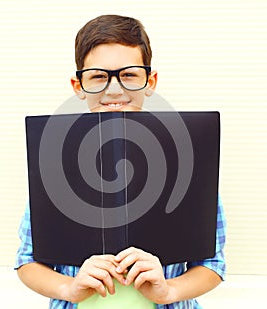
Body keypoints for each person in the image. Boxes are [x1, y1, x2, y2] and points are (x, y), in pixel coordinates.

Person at [15, 14, 226, 308]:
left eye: (128, 74)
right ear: (79, 85)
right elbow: (27, 263)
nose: (114, 90)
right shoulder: (55, 168)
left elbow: (213, 265)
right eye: (99, 76)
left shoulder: (187, 162)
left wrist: (169, 290)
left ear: (149, 81)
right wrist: (69, 288)